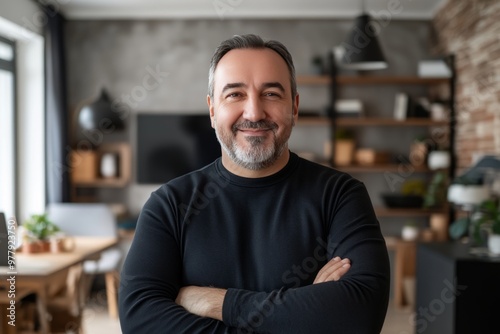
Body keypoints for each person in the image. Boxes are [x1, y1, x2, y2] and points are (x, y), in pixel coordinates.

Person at [119, 34, 390, 333]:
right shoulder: (169, 204)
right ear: (212, 109)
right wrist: (303, 313)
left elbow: (361, 315)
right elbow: (140, 320)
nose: (254, 113)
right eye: (235, 94)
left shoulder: (341, 196)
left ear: (295, 107)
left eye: (271, 94)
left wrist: (219, 304)